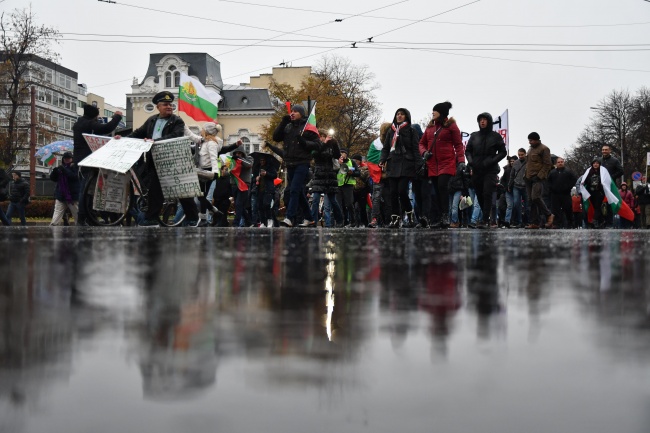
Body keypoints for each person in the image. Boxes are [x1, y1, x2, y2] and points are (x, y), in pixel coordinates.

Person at [126, 91, 200, 226]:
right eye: (165, 105)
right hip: (155, 160)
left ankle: (193, 218)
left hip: (174, 159)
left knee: (182, 190)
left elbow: (176, 135)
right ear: (158, 107)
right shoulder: (151, 120)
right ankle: (152, 218)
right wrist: (123, 139)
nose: (169, 107)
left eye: (170, 105)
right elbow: (138, 133)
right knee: (155, 189)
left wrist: (155, 140)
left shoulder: (177, 120)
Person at [72, 104, 123, 225]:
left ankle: (89, 217)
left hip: (81, 161)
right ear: (93, 115)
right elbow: (107, 128)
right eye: (97, 115)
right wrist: (117, 117)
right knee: (86, 191)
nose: (98, 118)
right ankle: (83, 218)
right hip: (87, 161)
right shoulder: (88, 123)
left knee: (89, 190)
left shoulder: (79, 124)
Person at [418, 101, 465, 228]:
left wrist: (461, 161)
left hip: (447, 163)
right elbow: (421, 144)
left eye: (435, 111)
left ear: (442, 113)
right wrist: (424, 153)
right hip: (432, 164)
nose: (432, 112)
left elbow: (458, 145)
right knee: (435, 191)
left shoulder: (451, 126)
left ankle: (445, 215)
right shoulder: (429, 127)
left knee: (442, 186)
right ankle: (437, 217)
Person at [272, 104, 319, 227]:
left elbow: (317, 145)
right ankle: (309, 218)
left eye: (295, 111)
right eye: (291, 111)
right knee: (298, 192)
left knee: (293, 190)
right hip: (290, 163)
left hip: (302, 163)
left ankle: (289, 217)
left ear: (301, 114)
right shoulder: (288, 126)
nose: (292, 113)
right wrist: (283, 122)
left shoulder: (308, 127)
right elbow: (276, 137)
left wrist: (304, 142)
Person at [379, 108, 422, 228]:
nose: (399, 116)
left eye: (402, 114)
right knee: (392, 192)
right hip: (392, 163)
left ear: (406, 116)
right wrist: (382, 160)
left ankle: (410, 215)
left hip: (406, 164)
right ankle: (395, 219)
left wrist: (418, 164)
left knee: (402, 191)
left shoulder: (411, 130)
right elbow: (386, 148)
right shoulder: (391, 131)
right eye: (398, 114)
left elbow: (415, 149)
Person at [464, 112, 506, 228]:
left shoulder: (495, 136)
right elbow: (467, 151)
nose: (482, 122)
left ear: (489, 121)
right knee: (479, 194)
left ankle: (484, 219)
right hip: (477, 169)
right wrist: (471, 161)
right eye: (480, 120)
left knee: (487, 193)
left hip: (490, 170)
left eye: (484, 119)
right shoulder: (474, 136)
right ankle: (486, 217)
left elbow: (503, 152)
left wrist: (492, 160)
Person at [308, 130, 344, 227]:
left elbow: (337, 155)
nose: (321, 138)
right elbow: (315, 154)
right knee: (315, 199)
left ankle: (340, 219)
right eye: (320, 137)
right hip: (319, 174)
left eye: (322, 136)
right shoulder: (316, 145)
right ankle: (313, 221)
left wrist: (335, 143)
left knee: (332, 200)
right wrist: (324, 143)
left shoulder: (331, 145)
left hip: (329, 174)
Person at [194, 122, 224, 226]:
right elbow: (192, 137)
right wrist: (184, 128)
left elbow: (213, 157)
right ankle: (213, 212)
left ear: (207, 131)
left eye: (202, 129)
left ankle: (204, 219)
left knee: (201, 195)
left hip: (209, 171)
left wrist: (215, 171)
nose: (201, 131)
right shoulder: (204, 141)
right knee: (201, 196)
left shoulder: (211, 143)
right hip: (202, 170)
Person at [524, 132, 554, 229]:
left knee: (535, 197)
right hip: (528, 178)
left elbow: (547, 164)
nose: (530, 142)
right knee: (531, 200)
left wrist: (540, 176)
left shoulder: (544, 149)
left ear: (537, 140)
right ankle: (534, 222)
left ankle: (549, 214)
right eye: (529, 140)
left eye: (531, 140)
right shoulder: (530, 149)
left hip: (537, 178)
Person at [49, 152, 80, 226]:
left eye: (69, 158)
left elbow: (74, 177)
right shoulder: (61, 168)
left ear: (72, 159)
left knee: (76, 213)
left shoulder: (75, 166)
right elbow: (53, 179)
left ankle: (79, 226)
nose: (67, 160)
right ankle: (54, 225)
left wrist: (64, 170)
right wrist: (54, 172)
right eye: (65, 158)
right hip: (61, 195)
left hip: (72, 196)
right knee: (57, 213)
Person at [547, 157, 577, 228]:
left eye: (561, 162)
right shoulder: (552, 172)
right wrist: (552, 189)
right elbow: (548, 182)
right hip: (555, 194)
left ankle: (570, 223)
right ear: (556, 163)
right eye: (559, 162)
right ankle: (556, 224)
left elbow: (574, 180)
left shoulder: (568, 172)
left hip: (565, 194)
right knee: (555, 210)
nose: (560, 163)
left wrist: (568, 187)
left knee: (568, 209)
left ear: (564, 162)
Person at [580, 158, 607, 228]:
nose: (595, 164)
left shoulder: (602, 172)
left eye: (597, 163)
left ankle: (595, 220)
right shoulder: (588, 172)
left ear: (599, 164)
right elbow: (585, 180)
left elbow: (606, 180)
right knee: (593, 207)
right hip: (591, 192)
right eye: (594, 163)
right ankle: (600, 221)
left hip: (599, 192)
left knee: (598, 207)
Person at [508, 148, 528, 228]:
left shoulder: (529, 162)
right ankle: (519, 221)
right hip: (516, 186)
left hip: (526, 186)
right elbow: (512, 175)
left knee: (527, 205)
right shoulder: (516, 163)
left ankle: (526, 222)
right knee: (516, 204)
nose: (520, 156)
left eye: (522, 155)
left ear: (525, 154)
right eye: (519, 155)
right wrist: (509, 185)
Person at [351, 154, 370, 227]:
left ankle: (364, 222)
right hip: (353, 190)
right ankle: (354, 222)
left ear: (359, 161)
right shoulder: (351, 167)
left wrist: (356, 171)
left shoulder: (365, 168)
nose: (355, 162)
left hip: (362, 190)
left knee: (362, 208)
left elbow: (364, 177)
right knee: (353, 208)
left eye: (356, 160)